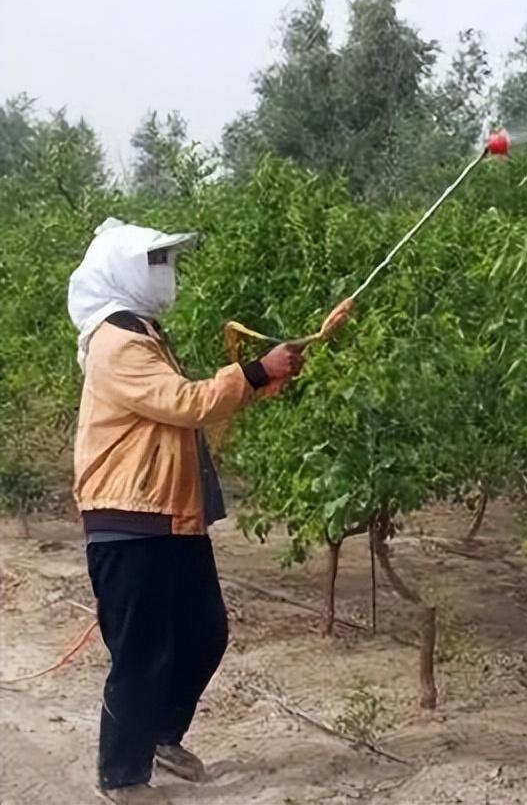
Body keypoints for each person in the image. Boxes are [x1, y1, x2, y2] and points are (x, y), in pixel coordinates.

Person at [67, 218, 349, 804]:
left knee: (203, 634)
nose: (167, 274)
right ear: (121, 272)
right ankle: (121, 777)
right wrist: (253, 372)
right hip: (130, 518)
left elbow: (185, 408)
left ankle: (162, 736)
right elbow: (182, 402)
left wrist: (262, 379)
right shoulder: (116, 340)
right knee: (142, 651)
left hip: (171, 514)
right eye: (156, 262)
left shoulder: (142, 332)